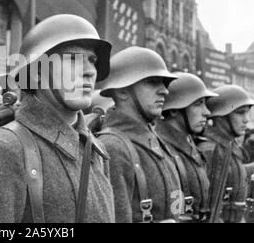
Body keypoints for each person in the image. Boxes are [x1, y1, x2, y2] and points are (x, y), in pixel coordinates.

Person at [0, 14, 115, 223]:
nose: (90, 71)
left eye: (92, 60)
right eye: (73, 59)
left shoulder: (95, 149)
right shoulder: (5, 149)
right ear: (36, 73)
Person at [96, 46, 181, 223]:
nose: (164, 90)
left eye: (163, 83)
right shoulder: (113, 148)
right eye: (151, 81)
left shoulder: (157, 143)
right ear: (121, 91)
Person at [156, 72, 217, 222]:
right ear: (175, 109)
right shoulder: (161, 150)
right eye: (198, 104)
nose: (207, 112)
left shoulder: (190, 146)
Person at [199, 85, 254, 223]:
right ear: (220, 117)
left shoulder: (227, 147)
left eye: (247, 113)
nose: (246, 119)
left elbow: (234, 174)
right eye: (240, 113)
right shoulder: (210, 151)